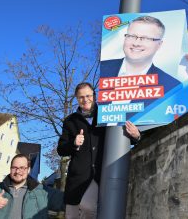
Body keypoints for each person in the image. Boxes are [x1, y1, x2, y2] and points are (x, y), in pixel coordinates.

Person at [57, 82, 140, 219]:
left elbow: (119, 138)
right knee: (71, 215)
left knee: (89, 208)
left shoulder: (107, 114)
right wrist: (74, 143)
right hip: (77, 176)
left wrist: (136, 136)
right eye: (81, 97)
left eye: (88, 95)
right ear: (77, 99)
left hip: (101, 174)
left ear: (94, 96)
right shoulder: (70, 121)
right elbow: (61, 149)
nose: (85, 100)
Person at [0, 154, 63, 219]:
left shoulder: (43, 192)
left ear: (28, 170)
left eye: (22, 168)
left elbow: (69, 201)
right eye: (14, 168)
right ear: (10, 168)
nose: (18, 171)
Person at [100, 15, 181, 93]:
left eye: (145, 38)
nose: (136, 43)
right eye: (132, 36)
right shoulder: (101, 69)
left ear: (159, 44)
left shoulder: (172, 86)